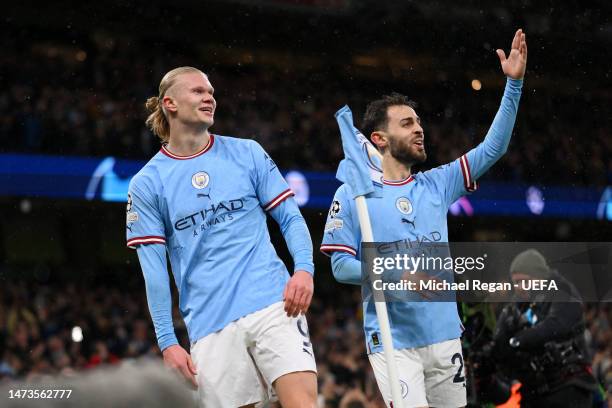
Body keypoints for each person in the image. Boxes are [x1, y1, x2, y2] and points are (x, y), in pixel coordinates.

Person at [320, 29, 527, 407]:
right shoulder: (353, 194)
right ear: (379, 139)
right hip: (393, 341)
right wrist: (395, 274)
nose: (419, 128)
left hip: (446, 335)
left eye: (419, 122)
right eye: (407, 123)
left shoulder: (436, 184)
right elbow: (340, 267)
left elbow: (493, 149)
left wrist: (513, 84)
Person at [126, 66, 317, 407]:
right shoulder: (147, 183)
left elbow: (289, 218)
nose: (209, 97)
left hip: (274, 303)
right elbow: (154, 271)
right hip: (209, 323)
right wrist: (168, 341)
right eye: (198, 91)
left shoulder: (247, 153)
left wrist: (304, 269)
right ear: (170, 103)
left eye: (211, 92)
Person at [491, 249, 598, 408]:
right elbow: (499, 340)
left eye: (525, 281)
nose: (520, 287)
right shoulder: (516, 305)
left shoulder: (562, 291)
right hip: (534, 391)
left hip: (569, 386)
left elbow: (557, 325)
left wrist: (518, 340)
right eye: (516, 282)